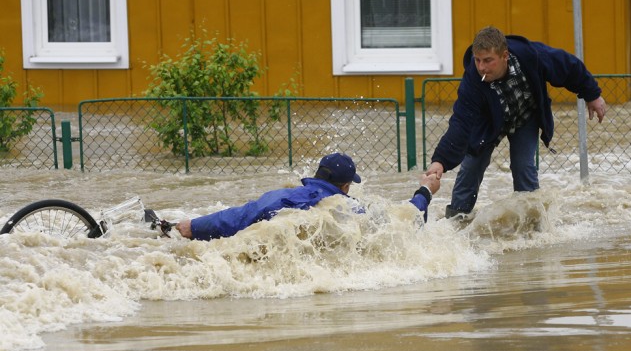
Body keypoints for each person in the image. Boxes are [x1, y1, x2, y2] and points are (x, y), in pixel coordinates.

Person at [426, 26, 607, 218]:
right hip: (488, 123)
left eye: (488, 60)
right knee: (473, 164)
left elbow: (568, 67)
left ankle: (532, 222)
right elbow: (461, 123)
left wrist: (592, 95)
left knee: (523, 165)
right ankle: (457, 218)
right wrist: (440, 161)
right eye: (477, 60)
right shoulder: (473, 79)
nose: (481, 67)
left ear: (504, 56)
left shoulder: (531, 56)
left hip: (524, 117)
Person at [176, 152, 441, 240]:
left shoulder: (285, 196)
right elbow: (407, 220)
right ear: (346, 186)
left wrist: (193, 226)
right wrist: (426, 190)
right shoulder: (350, 209)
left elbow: (241, 216)